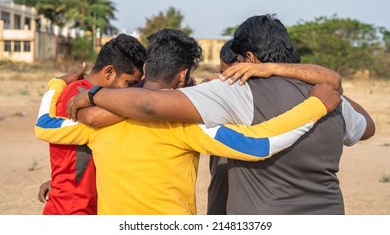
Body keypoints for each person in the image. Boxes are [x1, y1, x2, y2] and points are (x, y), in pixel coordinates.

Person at [65, 15, 374, 215]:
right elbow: (368, 127)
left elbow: (151, 104)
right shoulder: (334, 100)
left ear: (249, 59)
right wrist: (320, 94)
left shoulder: (238, 92)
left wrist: (92, 95)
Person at [37, 33, 147, 215]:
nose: (130, 91)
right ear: (109, 72)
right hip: (74, 207)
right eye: (130, 83)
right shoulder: (80, 96)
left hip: (74, 202)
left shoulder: (81, 91)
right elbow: (99, 118)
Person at [205, 39, 238, 215]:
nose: (226, 80)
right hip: (221, 183)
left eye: (233, 75)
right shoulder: (215, 91)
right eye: (222, 73)